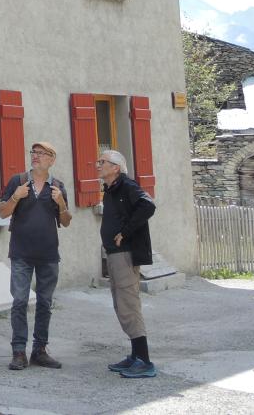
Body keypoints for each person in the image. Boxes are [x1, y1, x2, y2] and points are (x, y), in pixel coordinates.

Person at [0, 140, 71, 370]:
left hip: (48, 254)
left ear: (52, 159)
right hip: (21, 252)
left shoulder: (57, 186)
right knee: (19, 301)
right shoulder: (18, 182)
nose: (36, 156)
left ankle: (40, 350)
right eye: (34, 152)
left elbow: (66, 221)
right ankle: (19, 351)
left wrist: (60, 203)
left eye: (42, 153)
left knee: (45, 303)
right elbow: (2, 212)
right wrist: (15, 197)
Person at [98, 148, 156, 378]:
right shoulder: (111, 189)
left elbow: (148, 206)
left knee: (128, 304)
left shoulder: (127, 186)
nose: (98, 165)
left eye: (102, 161)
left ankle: (144, 360)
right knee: (121, 304)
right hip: (114, 253)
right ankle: (135, 356)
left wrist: (125, 231)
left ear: (116, 168)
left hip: (125, 253)